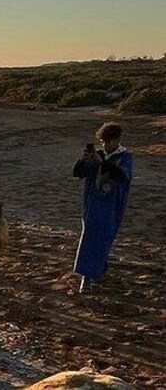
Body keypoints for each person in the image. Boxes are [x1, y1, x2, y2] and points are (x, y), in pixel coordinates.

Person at [73, 122, 132, 293]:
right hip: (92, 205)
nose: (105, 145)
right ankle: (88, 276)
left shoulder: (125, 157)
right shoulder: (98, 154)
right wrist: (82, 161)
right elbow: (77, 173)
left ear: (116, 141)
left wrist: (102, 163)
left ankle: (99, 269)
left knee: (105, 238)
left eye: (108, 142)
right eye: (102, 142)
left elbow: (121, 176)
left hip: (112, 206)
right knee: (90, 238)